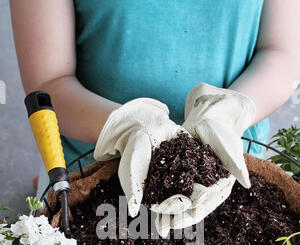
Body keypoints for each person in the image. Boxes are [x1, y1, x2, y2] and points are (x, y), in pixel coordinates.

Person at [10, 0, 300, 232]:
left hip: (230, 164)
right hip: (95, 177)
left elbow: (282, 52)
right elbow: (48, 83)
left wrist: (228, 112)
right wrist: (124, 126)